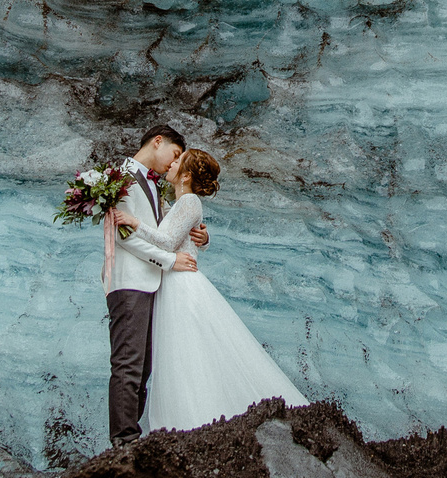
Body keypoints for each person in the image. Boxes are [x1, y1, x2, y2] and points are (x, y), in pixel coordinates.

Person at [111, 148, 304, 434]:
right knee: (182, 354)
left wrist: (135, 223)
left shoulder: (188, 201)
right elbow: (181, 234)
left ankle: (190, 420)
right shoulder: (178, 203)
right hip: (172, 281)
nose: (171, 163)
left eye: (177, 160)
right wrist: (204, 237)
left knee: (187, 353)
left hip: (181, 284)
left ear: (186, 175)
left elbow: (165, 240)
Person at [99, 125, 207, 444]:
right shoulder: (119, 177)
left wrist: (200, 235)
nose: (173, 164)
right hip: (129, 281)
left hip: (148, 283)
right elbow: (124, 235)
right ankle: (124, 439)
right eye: (174, 154)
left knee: (143, 369)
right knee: (128, 365)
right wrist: (170, 261)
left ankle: (132, 435)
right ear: (157, 142)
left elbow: (167, 229)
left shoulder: (153, 185)